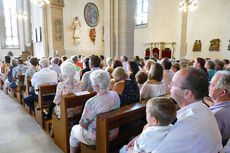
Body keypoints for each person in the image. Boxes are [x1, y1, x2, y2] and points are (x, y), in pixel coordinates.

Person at [143, 68, 223, 153]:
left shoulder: (187, 126)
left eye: (172, 84)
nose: (169, 86)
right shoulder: (204, 109)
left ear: (187, 93)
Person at [69, 70, 120, 153]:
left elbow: (83, 124)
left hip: (98, 136)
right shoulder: (115, 94)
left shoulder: (91, 102)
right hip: (113, 132)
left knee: (74, 129)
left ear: (96, 87)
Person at [209, 71, 230, 145]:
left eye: (212, 85)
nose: (209, 87)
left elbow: (209, 142)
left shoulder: (216, 114)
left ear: (222, 93)